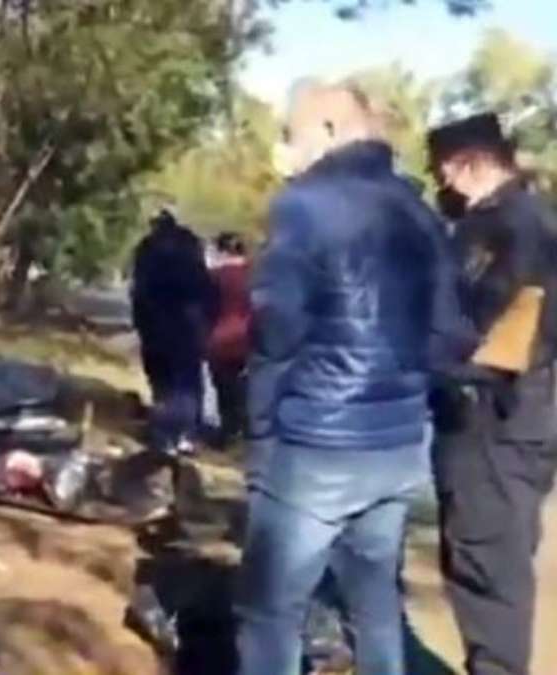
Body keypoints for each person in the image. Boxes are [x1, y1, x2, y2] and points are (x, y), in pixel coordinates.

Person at [234, 81, 472, 675]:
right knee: (376, 604)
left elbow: (277, 331)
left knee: (269, 614)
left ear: (331, 130)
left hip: (317, 440)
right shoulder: (417, 211)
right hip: (395, 444)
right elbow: (447, 334)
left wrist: (260, 435)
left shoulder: (303, 206)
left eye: (291, 134)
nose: (285, 150)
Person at [426, 112, 557, 675]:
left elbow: (508, 336)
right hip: (514, 417)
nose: (443, 187)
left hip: (493, 419)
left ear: (470, 164)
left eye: (445, 173)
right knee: (493, 559)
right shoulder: (522, 219)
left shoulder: (511, 227)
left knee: (489, 565)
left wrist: (437, 368)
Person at [130, 208, 218, 454]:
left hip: (156, 325)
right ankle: (186, 434)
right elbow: (206, 290)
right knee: (187, 381)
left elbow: (140, 291)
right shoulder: (190, 248)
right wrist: (207, 323)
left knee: (163, 381)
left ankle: (165, 435)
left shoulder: (147, 250)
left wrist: (142, 324)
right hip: (187, 325)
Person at [205, 232, 250, 447]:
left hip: (220, 340)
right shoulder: (259, 277)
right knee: (249, 387)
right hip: (252, 341)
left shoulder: (215, 277)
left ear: (222, 251)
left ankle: (229, 431)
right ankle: (246, 432)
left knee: (224, 388)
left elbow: (204, 309)